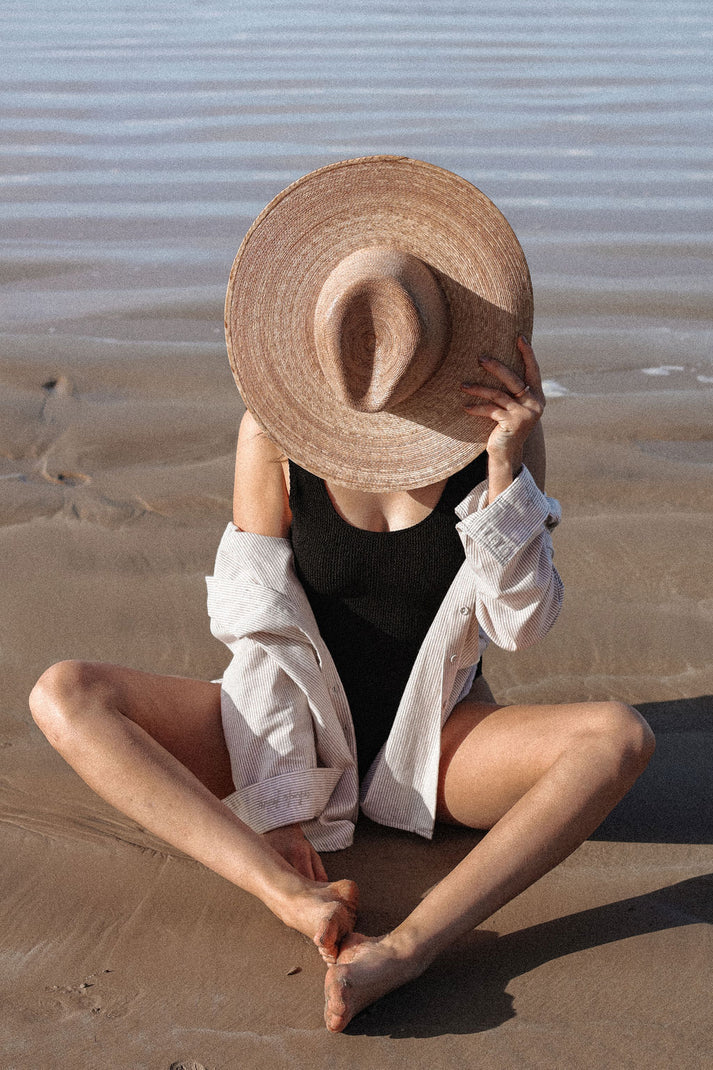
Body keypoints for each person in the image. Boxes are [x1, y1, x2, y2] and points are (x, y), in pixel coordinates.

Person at [29, 157, 655, 1034]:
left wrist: (508, 469)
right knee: (65, 694)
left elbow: (519, 625)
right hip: (291, 723)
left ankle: (412, 947)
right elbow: (260, 631)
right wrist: (278, 794)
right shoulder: (272, 432)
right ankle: (284, 894)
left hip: (438, 742)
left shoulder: (492, 436)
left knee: (619, 738)